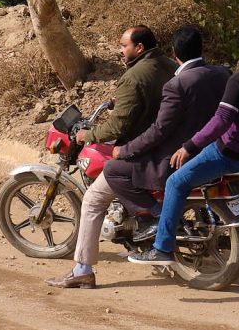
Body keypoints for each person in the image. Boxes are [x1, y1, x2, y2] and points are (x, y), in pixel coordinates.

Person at [130, 29, 239, 265]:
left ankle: (162, 248)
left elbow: (221, 120)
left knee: (175, 182)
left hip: (228, 154)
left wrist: (189, 147)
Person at [46, 25, 176, 289]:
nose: (120, 49)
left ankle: (83, 268)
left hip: (140, 150)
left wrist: (89, 135)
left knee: (93, 200)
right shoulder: (168, 65)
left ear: (139, 48)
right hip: (167, 145)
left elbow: (118, 127)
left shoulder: (133, 76)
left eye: (124, 45)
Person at [102, 26, 230, 241]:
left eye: (124, 46)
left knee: (114, 169)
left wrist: (125, 150)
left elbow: (159, 130)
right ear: (202, 49)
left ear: (174, 52)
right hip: (214, 150)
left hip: (178, 155)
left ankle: (154, 215)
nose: (121, 50)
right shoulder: (222, 74)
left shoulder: (177, 83)